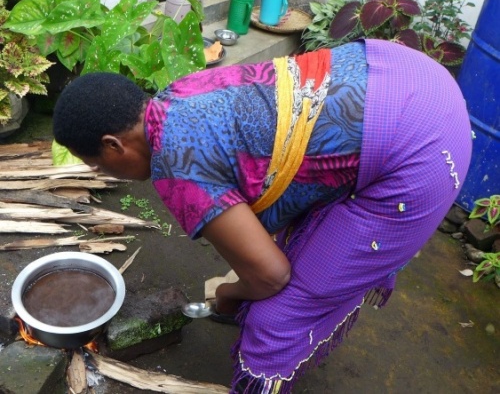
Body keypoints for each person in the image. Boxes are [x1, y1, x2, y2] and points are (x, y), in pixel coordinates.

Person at [53, 39, 472, 393]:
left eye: (95, 164)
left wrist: (231, 295)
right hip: (404, 72)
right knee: (302, 249)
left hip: (422, 152)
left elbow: (271, 275)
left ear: (113, 146)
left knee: (275, 318)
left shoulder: (178, 168)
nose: (97, 172)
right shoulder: (175, 96)